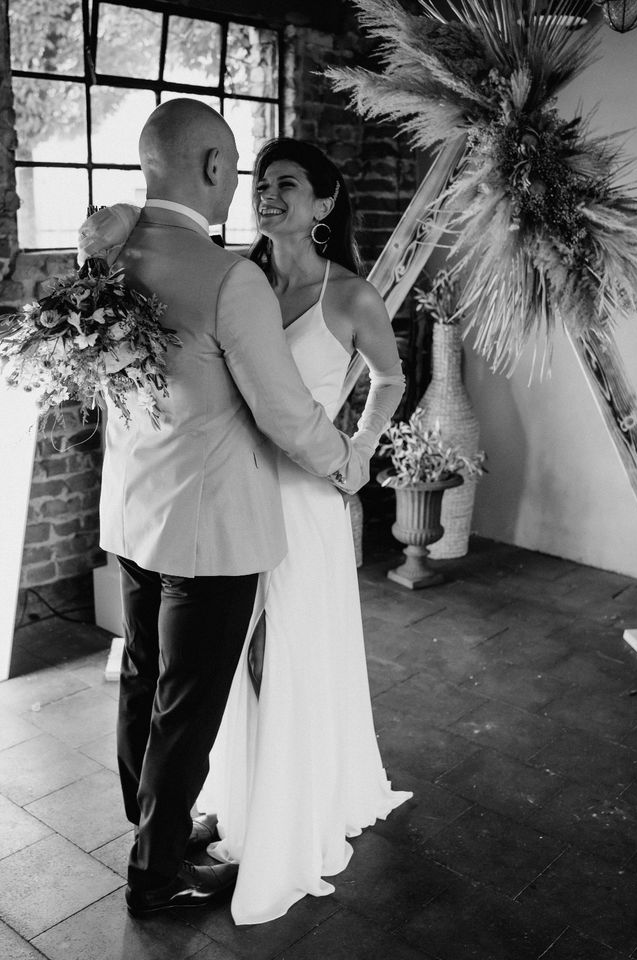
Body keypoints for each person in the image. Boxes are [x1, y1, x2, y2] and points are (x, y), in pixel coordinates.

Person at [78, 101, 373, 917]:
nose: (240, 188)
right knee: (187, 701)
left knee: (143, 676)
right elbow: (285, 412)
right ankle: (158, 872)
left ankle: (151, 828)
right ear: (212, 167)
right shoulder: (229, 278)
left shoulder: (106, 251)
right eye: (238, 169)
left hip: (133, 509)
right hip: (211, 527)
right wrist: (345, 462)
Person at [197, 138, 412, 925]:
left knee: (290, 649)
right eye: (260, 182)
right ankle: (245, 790)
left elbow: (391, 378)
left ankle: (294, 810)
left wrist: (359, 448)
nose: (266, 194)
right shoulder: (234, 279)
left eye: (285, 184)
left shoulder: (351, 297)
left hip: (305, 498)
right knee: (230, 651)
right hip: (232, 489)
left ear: (323, 205)